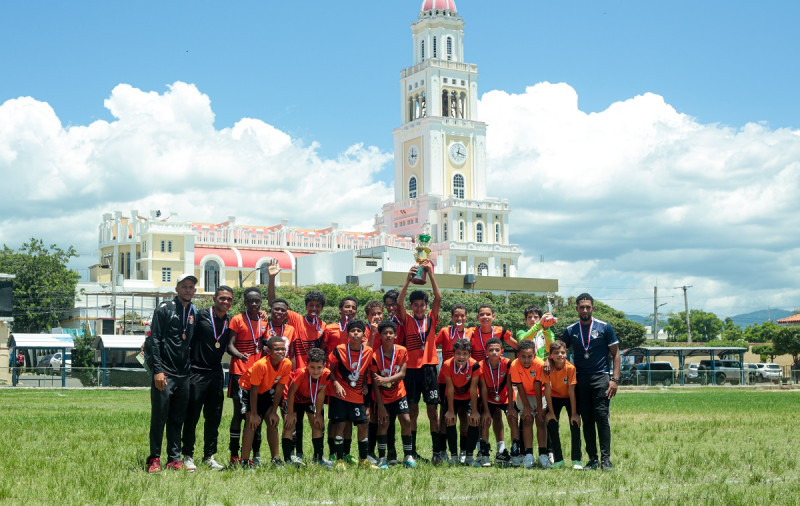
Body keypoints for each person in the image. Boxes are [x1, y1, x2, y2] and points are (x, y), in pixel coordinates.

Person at [144, 273, 198, 473]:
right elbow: (155, 340)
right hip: (165, 373)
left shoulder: (194, 311)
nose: (188, 290)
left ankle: (174, 458)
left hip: (184, 374)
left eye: (191, 287)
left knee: (177, 418)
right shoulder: (164, 309)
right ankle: (154, 458)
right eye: (184, 286)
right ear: (177, 288)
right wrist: (157, 370)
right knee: (159, 416)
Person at [561, 293, 620, 470]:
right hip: (580, 379)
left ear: (593, 308)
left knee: (602, 418)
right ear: (577, 309)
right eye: (581, 307)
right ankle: (593, 459)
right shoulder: (571, 330)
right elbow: (558, 351)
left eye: (588, 307)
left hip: (601, 377)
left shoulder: (604, 327)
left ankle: (606, 459)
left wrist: (615, 379)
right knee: (586, 419)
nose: (585, 310)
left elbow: (615, 354)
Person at [181, 285, 234, 472]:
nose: (225, 302)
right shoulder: (200, 315)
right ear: (214, 299)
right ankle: (187, 455)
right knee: (192, 416)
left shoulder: (230, 321)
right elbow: (186, 339)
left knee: (214, 417)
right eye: (222, 298)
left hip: (216, 373)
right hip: (196, 371)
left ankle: (209, 456)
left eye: (229, 299)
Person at [396, 260, 442, 463]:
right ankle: (411, 452)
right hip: (412, 371)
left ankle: (437, 452)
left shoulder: (432, 318)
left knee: (433, 411)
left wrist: (431, 275)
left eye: (422, 305)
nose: (419, 308)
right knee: (412, 411)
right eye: (415, 305)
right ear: (412, 307)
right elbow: (399, 302)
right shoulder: (407, 319)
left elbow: (438, 298)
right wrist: (407, 280)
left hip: (429, 368)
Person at [328, 319, 376, 468]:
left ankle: (363, 460)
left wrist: (363, 384)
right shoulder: (339, 349)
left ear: (363, 335)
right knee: (340, 425)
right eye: (353, 331)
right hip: (340, 395)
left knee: (362, 425)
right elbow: (330, 368)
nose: (355, 333)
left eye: (359, 331)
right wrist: (336, 384)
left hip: (357, 396)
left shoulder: (368, 351)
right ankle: (340, 460)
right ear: (347, 334)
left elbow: (368, 367)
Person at [226, 286, 267, 466]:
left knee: (256, 414)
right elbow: (229, 345)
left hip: (258, 374)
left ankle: (255, 454)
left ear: (261, 302)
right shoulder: (237, 319)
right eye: (250, 301)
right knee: (239, 413)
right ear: (245, 302)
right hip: (239, 372)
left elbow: (264, 344)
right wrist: (239, 355)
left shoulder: (264, 320)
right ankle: (234, 454)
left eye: (257, 301)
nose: (254, 304)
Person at [238, 336, 292, 468]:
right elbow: (254, 390)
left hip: (266, 390)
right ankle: (245, 461)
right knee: (252, 423)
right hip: (248, 390)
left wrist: (274, 411)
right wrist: (254, 414)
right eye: (277, 349)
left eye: (283, 349)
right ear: (268, 351)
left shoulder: (287, 363)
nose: (281, 352)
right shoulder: (260, 365)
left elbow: (279, 388)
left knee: (272, 421)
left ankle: (276, 459)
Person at [371, 320, 414, 469]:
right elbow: (375, 384)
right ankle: (382, 458)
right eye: (385, 333)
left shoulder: (402, 350)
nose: (388, 335)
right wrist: (380, 405)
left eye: (391, 333)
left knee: (407, 420)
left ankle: (408, 456)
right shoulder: (375, 355)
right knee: (383, 423)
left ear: (395, 335)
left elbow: (402, 374)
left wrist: (386, 379)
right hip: (383, 396)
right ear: (380, 335)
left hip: (399, 393)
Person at [280, 347, 331, 468]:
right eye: (312, 367)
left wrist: (318, 415)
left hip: (309, 399)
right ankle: (287, 459)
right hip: (293, 398)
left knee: (318, 424)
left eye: (319, 367)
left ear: (324, 365)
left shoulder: (326, 374)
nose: (316, 371)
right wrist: (291, 414)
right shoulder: (301, 373)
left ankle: (318, 458)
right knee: (289, 425)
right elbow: (291, 393)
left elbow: (321, 394)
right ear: (307, 365)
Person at [434, 303, 472, 463]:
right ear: (452, 317)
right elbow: (432, 347)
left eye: (462, 316)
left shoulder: (471, 332)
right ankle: (443, 450)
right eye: (456, 315)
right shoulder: (444, 331)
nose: (459, 318)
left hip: (466, 378)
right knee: (446, 414)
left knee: (464, 414)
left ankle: (463, 451)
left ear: (466, 317)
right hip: (446, 379)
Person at [323, 297, 359, 463]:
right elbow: (322, 350)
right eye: (346, 306)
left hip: (353, 380)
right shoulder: (330, 328)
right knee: (335, 418)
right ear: (339, 309)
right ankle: (332, 451)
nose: (349, 309)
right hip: (334, 378)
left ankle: (346, 452)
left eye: (352, 307)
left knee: (350, 418)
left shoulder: (359, 330)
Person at [509, 339, 549, 469]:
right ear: (518, 355)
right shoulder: (514, 365)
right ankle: (528, 454)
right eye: (523, 357)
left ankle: (543, 454)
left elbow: (538, 385)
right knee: (527, 419)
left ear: (534, 355)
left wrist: (539, 407)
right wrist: (526, 407)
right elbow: (519, 386)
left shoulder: (539, 364)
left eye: (529, 356)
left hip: (539, 394)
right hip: (524, 394)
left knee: (540, 419)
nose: (526, 360)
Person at [441, 339, 481, 466]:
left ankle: (468, 455)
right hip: (453, 396)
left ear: (470, 355)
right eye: (458, 353)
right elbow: (450, 388)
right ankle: (453, 455)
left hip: (469, 396)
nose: (461, 356)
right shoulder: (447, 364)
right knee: (450, 419)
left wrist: (474, 411)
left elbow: (474, 389)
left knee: (473, 420)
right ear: (453, 354)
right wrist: (451, 411)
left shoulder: (474, 365)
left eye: (465, 353)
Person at [543, 340, 582, 469]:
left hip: (569, 398)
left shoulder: (570, 368)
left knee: (575, 425)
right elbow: (547, 390)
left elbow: (572, 391)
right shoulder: (548, 368)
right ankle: (558, 460)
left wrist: (575, 413)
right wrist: (551, 412)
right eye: (556, 353)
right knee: (552, 425)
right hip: (554, 398)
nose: (560, 355)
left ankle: (576, 460)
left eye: (563, 352)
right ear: (551, 355)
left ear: (566, 353)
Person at [477, 338, 514, 467]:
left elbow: (509, 386)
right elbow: (482, 388)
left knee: (512, 418)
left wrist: (511, 407)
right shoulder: (481, 365)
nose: (494, 352)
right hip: (488, 398)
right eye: (491, 350)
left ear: (502, 351)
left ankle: (506, 451)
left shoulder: (508, 363)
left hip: (504, 397)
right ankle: (484, 453)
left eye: (497, 350)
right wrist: (486, 411)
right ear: (486, 352)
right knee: (485, 420)